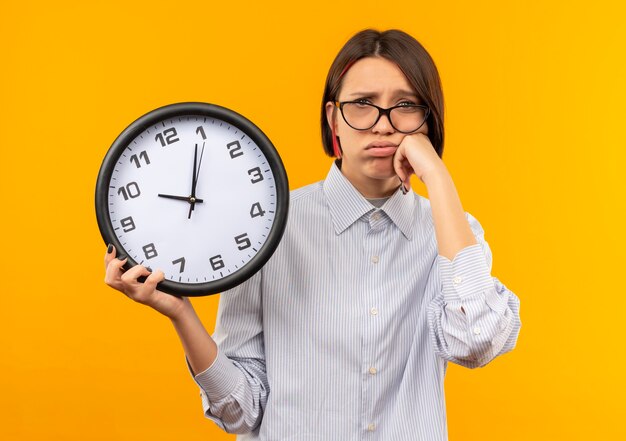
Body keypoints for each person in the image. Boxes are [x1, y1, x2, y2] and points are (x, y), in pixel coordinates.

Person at [104, 28, 521, 441]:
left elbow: (475, 342)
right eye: (362, 104)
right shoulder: (270, 227)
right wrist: (180, 312)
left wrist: (438, 176)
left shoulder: (452, 236)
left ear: (429, 119)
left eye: (405, 105)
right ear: (332, 119)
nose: (383, 126)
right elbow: (241, 411)